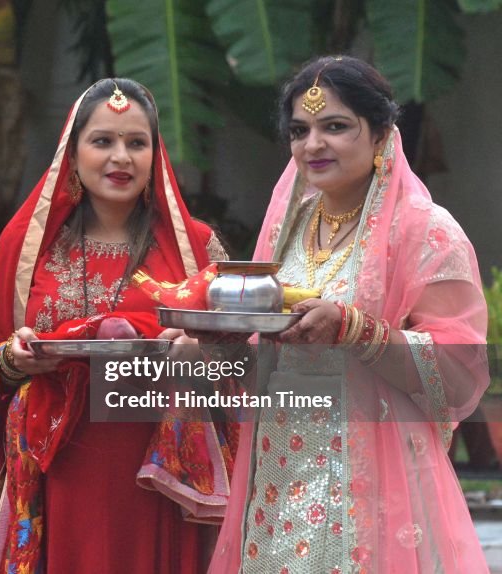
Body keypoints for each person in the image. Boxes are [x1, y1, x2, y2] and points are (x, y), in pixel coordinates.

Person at [209, 56, 490, 572]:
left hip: (372, 474)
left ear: (380, 134)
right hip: (279, 464)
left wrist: (353, 329)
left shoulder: (425, 231)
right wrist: (215, 342)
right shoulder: (287, 225)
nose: (313, 144)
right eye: (300, 130)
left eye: (335, 126)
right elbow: (259, 345)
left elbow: (457, 370)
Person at [0, 78, 238, 574]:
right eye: (102, 141)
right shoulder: (26, 249)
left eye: (136, 142)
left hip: (158, 474)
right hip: (60, 467)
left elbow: (240, 363)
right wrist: (14, 359)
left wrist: (199, 357)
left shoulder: (196, 248)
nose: (121, 157)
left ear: (155, 155)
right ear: (71, 154)